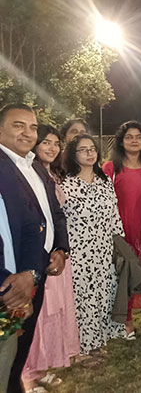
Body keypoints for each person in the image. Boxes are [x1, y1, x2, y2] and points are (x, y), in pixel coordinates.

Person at [0, 104, 69, 393]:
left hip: (35, 271)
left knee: (18, 349)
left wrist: (60, 248)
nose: (27, 133)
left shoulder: (35, 166)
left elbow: (53, 213)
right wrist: (21, 273)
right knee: (6, 352)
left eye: (32, 127)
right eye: (18, 125)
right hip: (11, 279)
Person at [21, 125, 79, 392]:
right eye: (46, 142)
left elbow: (58, 215)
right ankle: (27, 376)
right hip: (35, 256)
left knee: (50, 314)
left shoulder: (51, 174)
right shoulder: (26, 172)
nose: (52, 148)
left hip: (56, 254)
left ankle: (41, 367)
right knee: (36, 314)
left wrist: (62, 249)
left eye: (56, 143)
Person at [62, 134, 124, 359]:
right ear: (73, 154)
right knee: (82, 299)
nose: (89, 153)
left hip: (104, 250)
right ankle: (82, 347)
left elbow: (115, 215)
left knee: (102, 295)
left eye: (92, 149)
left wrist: (120, 244)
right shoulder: (65, 184)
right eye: (83, 149)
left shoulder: (104, 181)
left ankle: (97, 340)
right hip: (78, 252)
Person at [102, 121, 141, 340]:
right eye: (129, 137)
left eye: (138, 137)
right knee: (124, 276)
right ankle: (127, 323)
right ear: (121, 141)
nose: (134, 141)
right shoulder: (110, 168)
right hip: (123, 231)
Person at [0, 144, 43, 392]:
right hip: (8, 286)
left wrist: (28, 275)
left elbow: (31, 225)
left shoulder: (8, 171)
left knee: (7, 359)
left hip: (14, 287)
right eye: (18, 126)